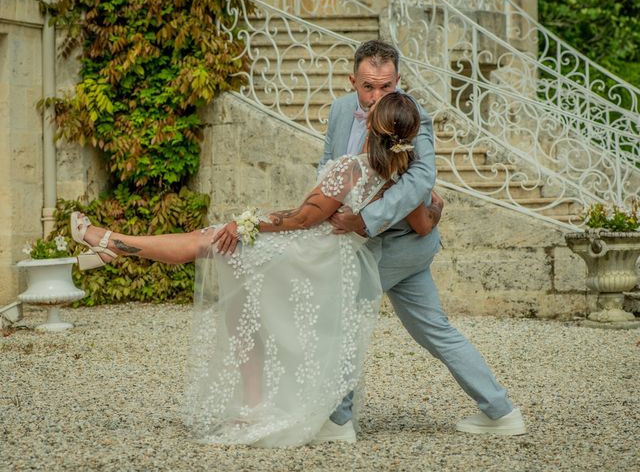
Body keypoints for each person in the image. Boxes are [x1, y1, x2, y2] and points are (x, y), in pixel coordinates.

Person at [70, 92, 438, 447]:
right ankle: (111, 246)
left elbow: (300, 219)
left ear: (372, 125)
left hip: (308, 253)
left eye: (373, 108)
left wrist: (247, 223)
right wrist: (438, 206)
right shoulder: (400, 177)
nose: (368, 106)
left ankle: (109, 242)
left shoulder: (351, 168)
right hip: (335, 260)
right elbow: (424, 222)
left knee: (211, 244)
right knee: (239, 302)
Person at [316, 39, 527, 439]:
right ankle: (501, 412)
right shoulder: (341, 110)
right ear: (352, 81)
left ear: (400, 80)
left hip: (396, 243)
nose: (377, 97)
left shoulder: (415, 117)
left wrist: (365, 220)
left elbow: (419, 182)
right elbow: (328, 163)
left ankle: (338, 422)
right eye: (367, 87)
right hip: (375, 243)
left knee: (341, 318)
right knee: (435, 329)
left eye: (386, 86)